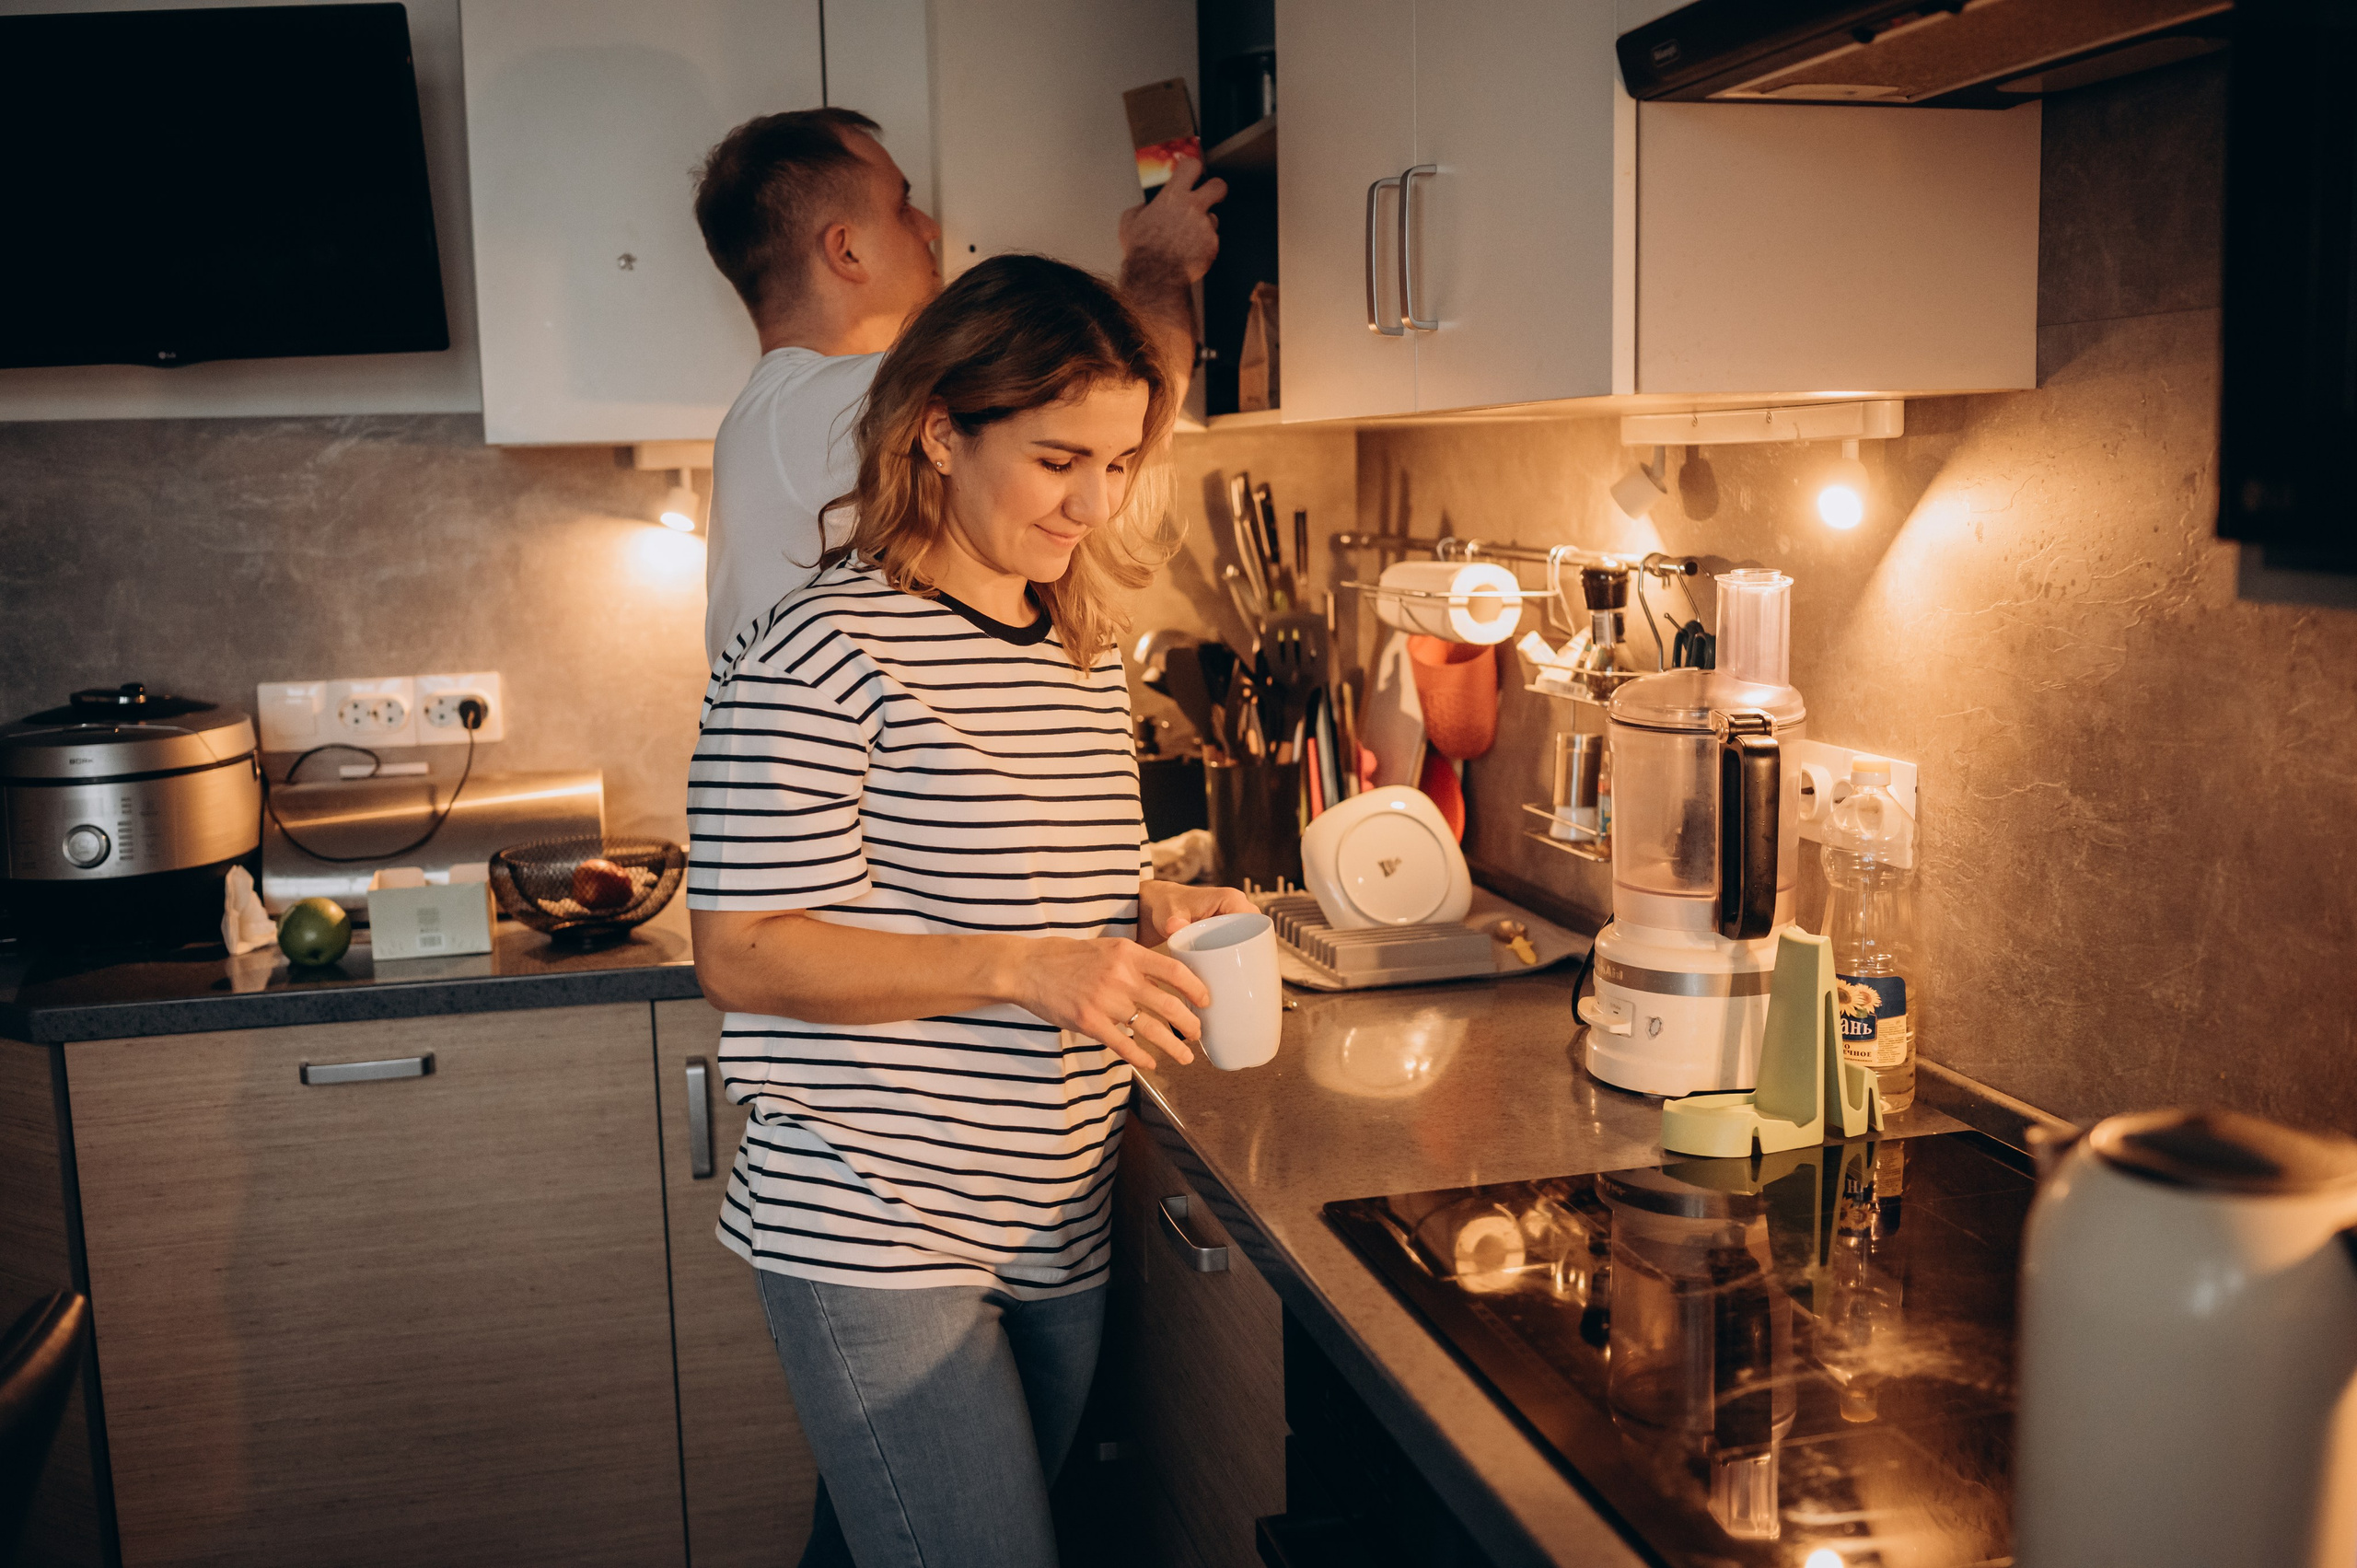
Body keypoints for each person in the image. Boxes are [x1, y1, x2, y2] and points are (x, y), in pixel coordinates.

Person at [687, 254, 1254, 1568]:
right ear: (942, 427)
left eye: (1119, 462)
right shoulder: (816, 647)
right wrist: (1029, 969)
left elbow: (1033, 887)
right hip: (876, 1214)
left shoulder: (1077, 647)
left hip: (1054, 1207)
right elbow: (745, 947)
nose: (1095, 501)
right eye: (1062, 458)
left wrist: (1147, 911)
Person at [691, 107, 1225, 671]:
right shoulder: (821, 404)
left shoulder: (781, 410)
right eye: (902, 205)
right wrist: (1158, 261)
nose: (929, 226)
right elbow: (1126, 392)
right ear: (845, 250)